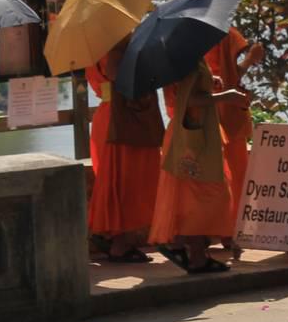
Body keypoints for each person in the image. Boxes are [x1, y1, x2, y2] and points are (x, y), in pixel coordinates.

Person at [151, 59, 250, 274]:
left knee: (197, 195)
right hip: (192, 138)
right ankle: (188, 249)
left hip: (194, 134)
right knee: (207, 195)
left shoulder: (190, 58)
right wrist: (227, 96)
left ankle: (188, 249)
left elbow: (190, 90)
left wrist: (209, 82)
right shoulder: (186, 61)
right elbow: (189, 99)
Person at [86, 36, 164, 263]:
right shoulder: (118, 39)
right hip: (124, 118)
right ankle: (120, 242)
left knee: (113, 178)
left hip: (108, 112)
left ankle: (108, 234)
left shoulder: (92, 45)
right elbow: (114, 72)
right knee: (129, 179)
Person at [205, 26, 265, 252]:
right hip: (226, 110)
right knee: (236, 174)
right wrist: (250, 59)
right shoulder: (222, 33)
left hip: (204, 113)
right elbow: (230, 76)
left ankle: (212, 231)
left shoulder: (187, 37)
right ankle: (230, 231)